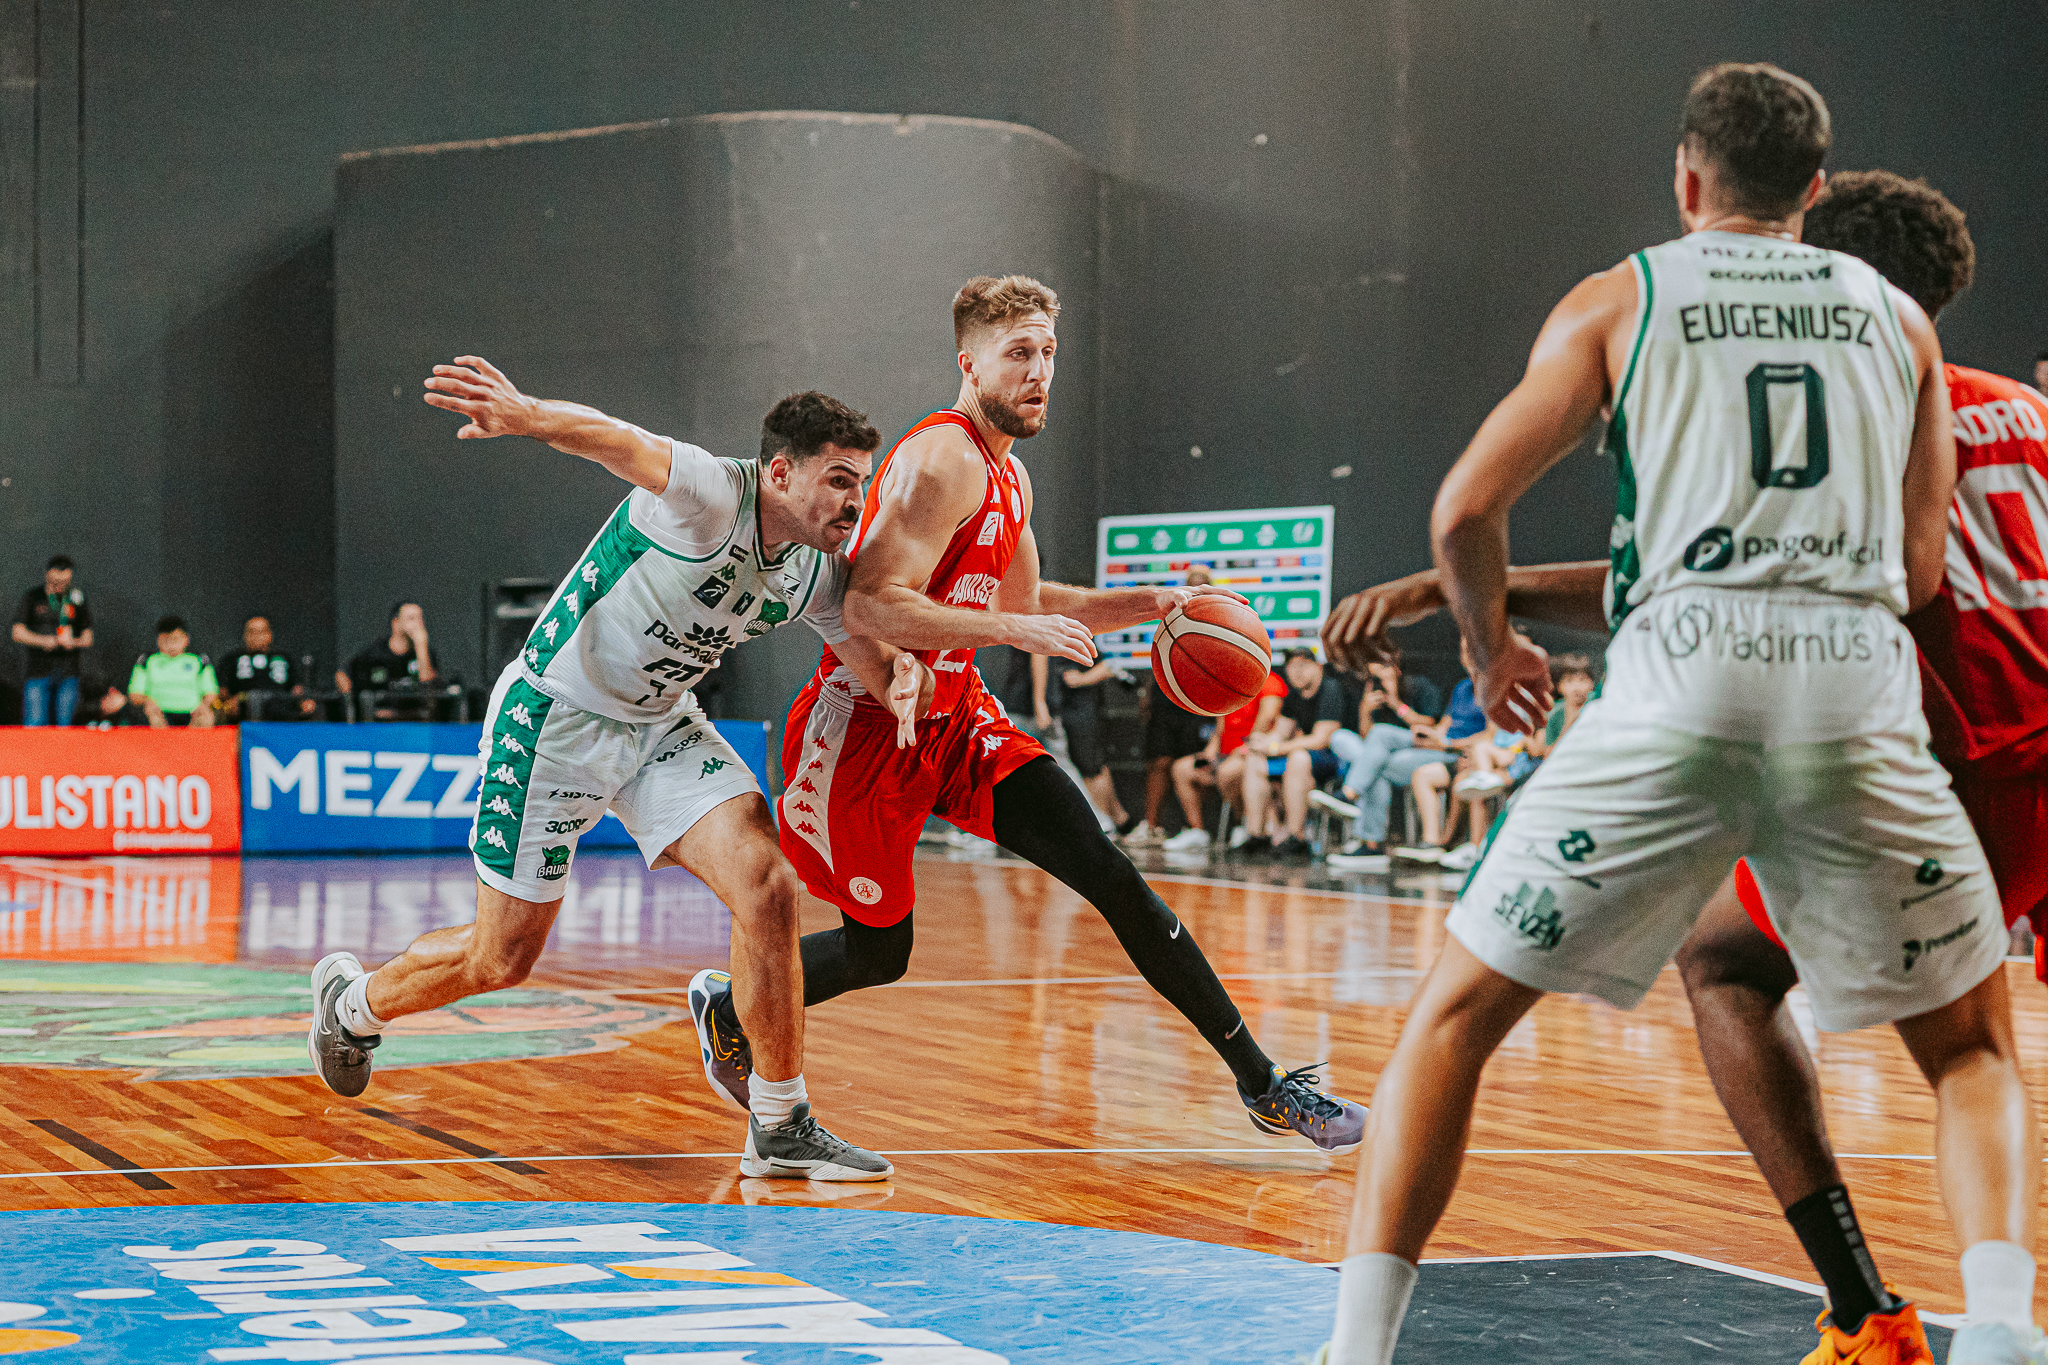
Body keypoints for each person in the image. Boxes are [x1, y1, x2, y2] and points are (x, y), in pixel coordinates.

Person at [1318, 65, 2039, 1365]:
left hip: (1682, 680)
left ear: (1686, 178)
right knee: (1972, 1052)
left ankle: (1356, 1350)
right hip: (1857, 693)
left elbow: (1464, 509)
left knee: (1455, 1019)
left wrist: (1490, 647)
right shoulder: (1902, 326)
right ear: (1813, 188)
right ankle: (1994, 1327)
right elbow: (1920, 570)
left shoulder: (1621, 296)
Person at [741, 273, 1365, 1151]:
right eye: (1018, 354)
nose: (1039, 372)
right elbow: (869, 604)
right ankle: (729, 1006)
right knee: (880, 954)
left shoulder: (1010, 475)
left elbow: (1032, 602)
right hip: (868, 731)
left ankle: (1262, 1082)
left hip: (956, 716)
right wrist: (1011, 628)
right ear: (969, 364)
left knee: (1110, 872)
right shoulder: (942, 458)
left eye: (1048, 353)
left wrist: (1153, 603)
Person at [308, 359, 927, 1185]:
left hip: (659, 725)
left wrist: (909, 679)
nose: (856, 501)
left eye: (863, 482)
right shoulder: (712, 494)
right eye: (840, 481)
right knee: (501, 957)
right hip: (554, 718)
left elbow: (873, 660)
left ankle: (780, 1122)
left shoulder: (817, 567)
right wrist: (525, 414)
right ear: (781, 473)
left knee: (768, 885)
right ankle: (352, 1005)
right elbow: (618, 440)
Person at [1321, 655, 1444, 867]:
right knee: (1342, 739)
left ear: (1396, 669)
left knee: (1381, 737)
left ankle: (1349, 795)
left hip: (1423, 750)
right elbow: (1367, 739)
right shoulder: (1374, 697)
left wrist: (1397, 704)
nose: (1379, 682)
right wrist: (1365, 711)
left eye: (1383, 674)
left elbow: (1429, 726)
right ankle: (1372, 845)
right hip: (1389, 758)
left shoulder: (1418, 686)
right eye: (1375, 678)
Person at [1128, 564, 1219, 844]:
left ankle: (1195, 829)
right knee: (1159, 761)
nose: (1196, 586)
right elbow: (1159, 650)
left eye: (1202, 582)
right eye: (1192, 582)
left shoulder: (1220, 617)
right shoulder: (1172, 612)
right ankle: (1151, 825)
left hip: (1200, 699)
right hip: (1167, 695)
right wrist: (1148, 692)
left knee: (1193, 764)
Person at [1237, 647, 1345, 859]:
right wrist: (1261, 742)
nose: (1296, 672)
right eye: (1291, 667)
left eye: (1302, 665)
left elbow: (1321, 739)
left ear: (1318, 667)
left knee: (1298, 757)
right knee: (1254, 760)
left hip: (1335, 759)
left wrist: (1277, 748)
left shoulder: (1331, 689)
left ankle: (1297, 837)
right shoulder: (1294, 695)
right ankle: (1257, 835)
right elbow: (1281, 732)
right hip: (1303, 756)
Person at [1164, 669, 1286, 852]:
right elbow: (1221, 724)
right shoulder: (1227, 683)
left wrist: (1247, 746)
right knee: (1181, 768)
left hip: (1252, 754)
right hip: (1224, 756)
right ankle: (1197, 831)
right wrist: (1210, 751)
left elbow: (1269, 717)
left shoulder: (1269, 681)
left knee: (1227, 772)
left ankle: (1245, 822)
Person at [1058, 649, 1137, 834]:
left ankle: (1102, 827)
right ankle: (1118, 821)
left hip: (1081, 712)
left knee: (1091, 770)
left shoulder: (1074, 637)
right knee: (1094, 767)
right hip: (1074, 711)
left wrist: (1082, 679)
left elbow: (1108, 666)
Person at [13, 555, 93, 728]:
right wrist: (44, 641)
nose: (60, 586)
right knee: (35, 723)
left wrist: (73, 642)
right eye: (56, 582)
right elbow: (17, 632)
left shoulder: (76, 598)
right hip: (38, 671)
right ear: (47, 574)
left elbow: (88, 638)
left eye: (65, 582)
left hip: (68, 672)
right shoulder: (33, 597)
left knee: (65, 724)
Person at [126, 616, 219, 728]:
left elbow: (211, 693)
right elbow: (135, 694)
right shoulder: (147, 660)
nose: (171, 645)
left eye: (175, 639)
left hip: (192, 713)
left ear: (186, 639)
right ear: (158, 640)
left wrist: (204, 706)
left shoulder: (199, 660)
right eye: (166, 640)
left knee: (207, 718)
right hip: (159, 713)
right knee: (150, 718)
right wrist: (148, 703)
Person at [220, 615, 316, 719]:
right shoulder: (232, 659)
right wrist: (227, 704)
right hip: (245, 711)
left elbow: (296, 688)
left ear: (269, 635)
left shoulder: (283, 658)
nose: (256, 636)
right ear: (245, 635)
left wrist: (302, 701)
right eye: (252, 632)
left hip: (280, 711)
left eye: (261, 632)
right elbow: (222, 690)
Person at [340, 602, 437, 695]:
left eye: (420, 618)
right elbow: (343, 674)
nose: (418, 624)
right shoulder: (376, 653)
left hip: (413, 706)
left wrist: (421, 647)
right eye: (411, 618)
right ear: (396, 622)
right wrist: (349, 701)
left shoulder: (424, 653)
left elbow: (429, 687)